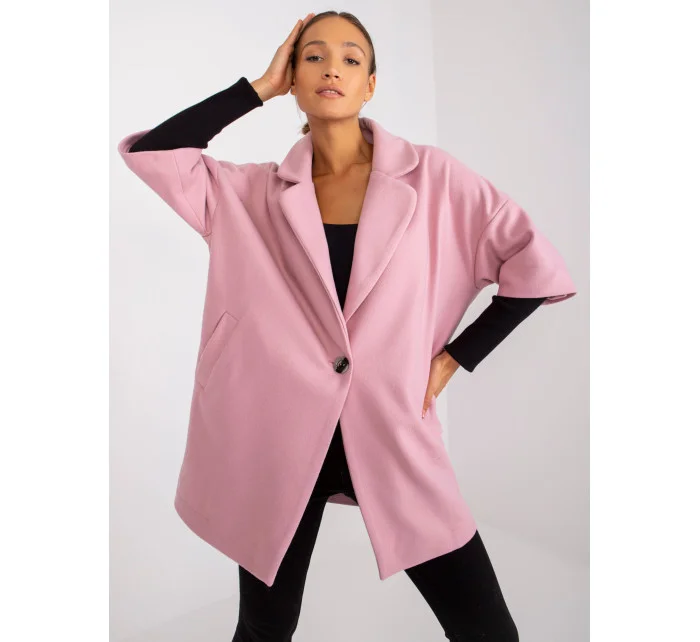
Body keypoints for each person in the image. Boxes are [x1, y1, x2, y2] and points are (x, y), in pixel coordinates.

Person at [122, 11, 566, 641]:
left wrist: (453, 358)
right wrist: (256, 88)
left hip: (390, 428)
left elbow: (532, 264)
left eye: (352, 59)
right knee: (264, 630)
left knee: (485, 629)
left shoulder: (435, 180)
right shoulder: (248, 193)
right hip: (275, 437)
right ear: (293, 79)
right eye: (313, 57)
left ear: (370, 85)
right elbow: (154, 154)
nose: (332, 68)